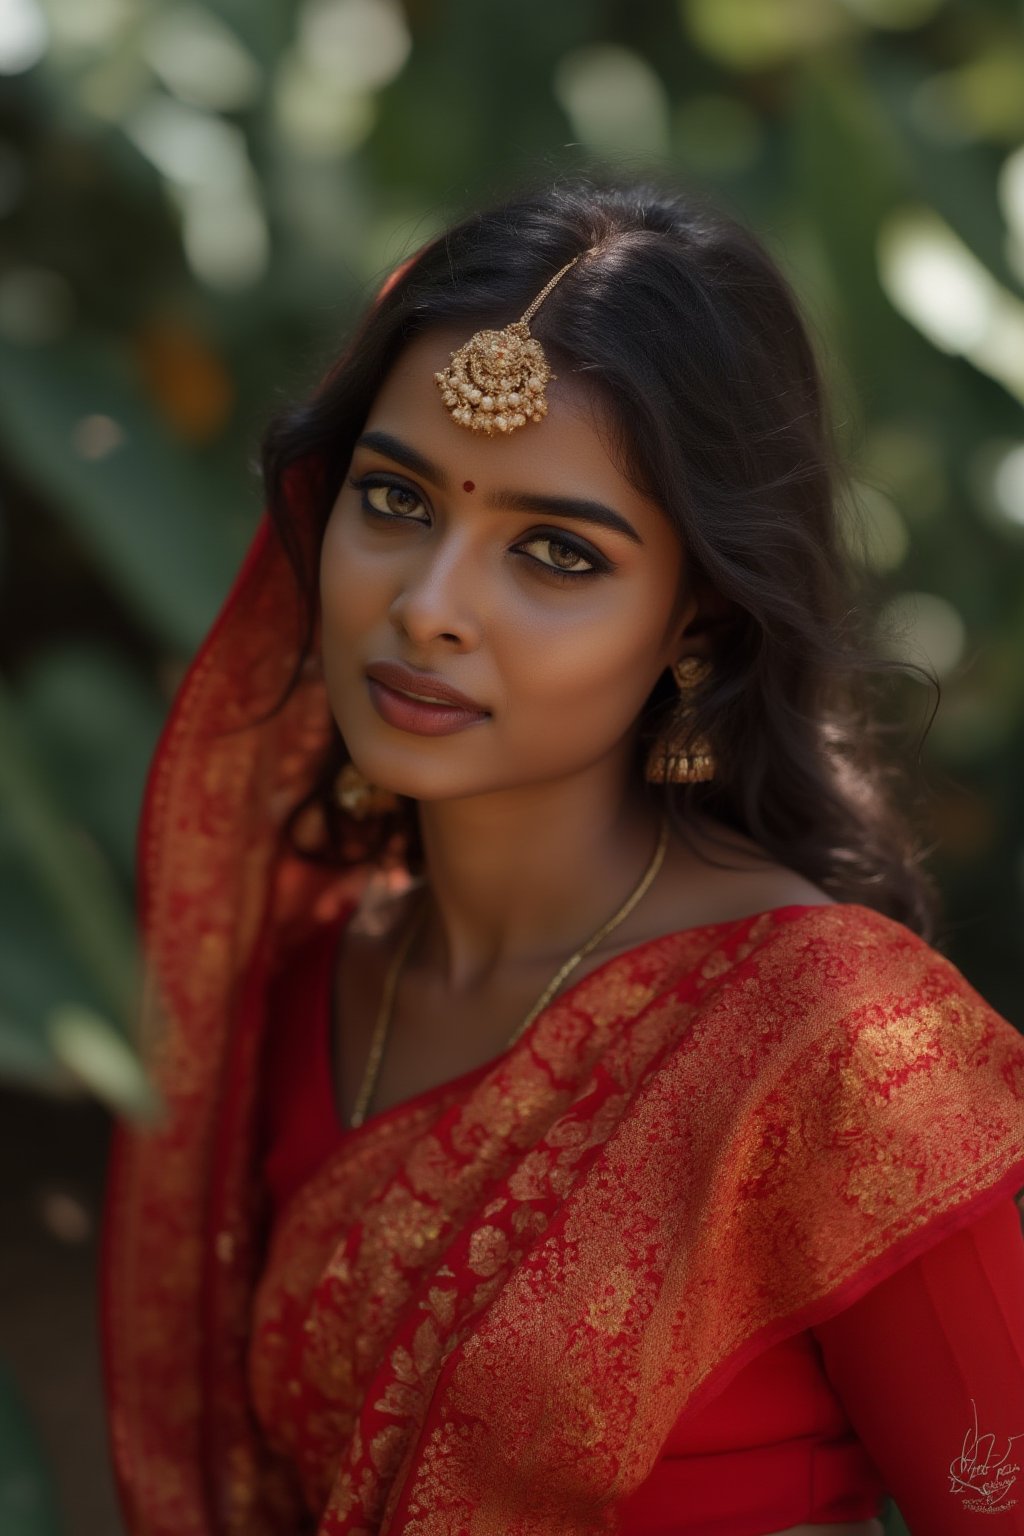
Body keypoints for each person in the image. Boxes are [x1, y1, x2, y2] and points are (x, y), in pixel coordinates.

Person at [100, 173, 1024, 1536]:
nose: (427, 609)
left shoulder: (832, 1050)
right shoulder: (314, 986)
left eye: (553, 552)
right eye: (397, 502)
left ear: (697, 618)